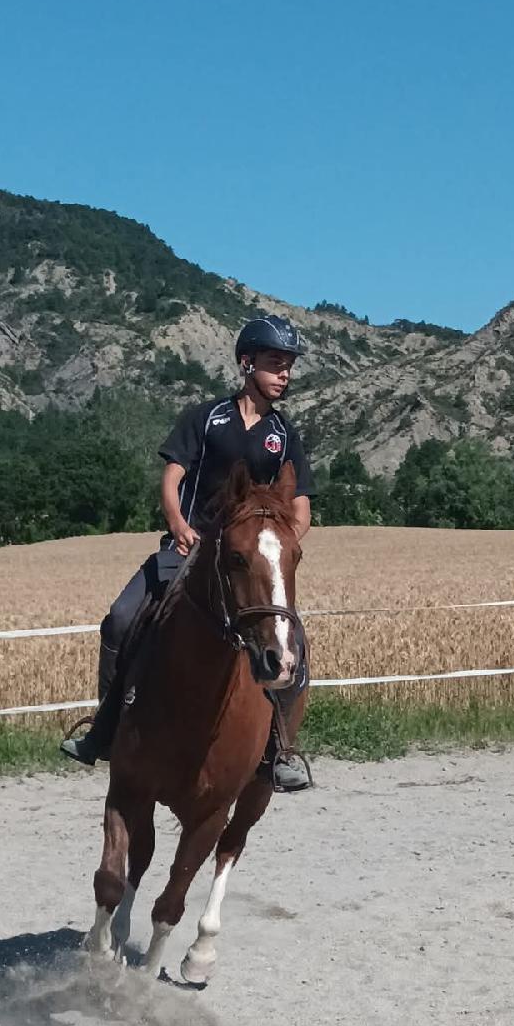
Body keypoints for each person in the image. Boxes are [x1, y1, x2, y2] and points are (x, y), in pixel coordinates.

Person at [61, 314, 315, 791]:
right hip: (192, 548)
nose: (285, 374)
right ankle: (105, 730)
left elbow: (300, 503)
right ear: (247, 363)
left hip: (249, 564)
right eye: (275, 363)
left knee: (292, 643)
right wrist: (177, 523)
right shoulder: (205, 418)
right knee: (120, 618)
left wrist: (280, 545)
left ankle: (278, 752)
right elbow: (173, 477)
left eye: (288, 366)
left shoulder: (286, 435)